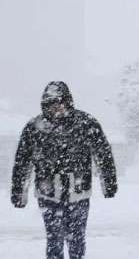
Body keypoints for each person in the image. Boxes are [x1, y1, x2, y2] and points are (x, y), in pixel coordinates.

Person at [10, 81, 118, 259]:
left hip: (78, 192)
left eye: (61, 102)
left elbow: (103, 153)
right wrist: (18, 193)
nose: (57, 106)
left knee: (77, 239)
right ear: (45, 105)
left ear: (68, 102)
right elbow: (22, 161)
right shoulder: (34, 127)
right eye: (52, 103)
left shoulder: (86, 123)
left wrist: (109, 183)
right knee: (54, 239)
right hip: (48, 193)